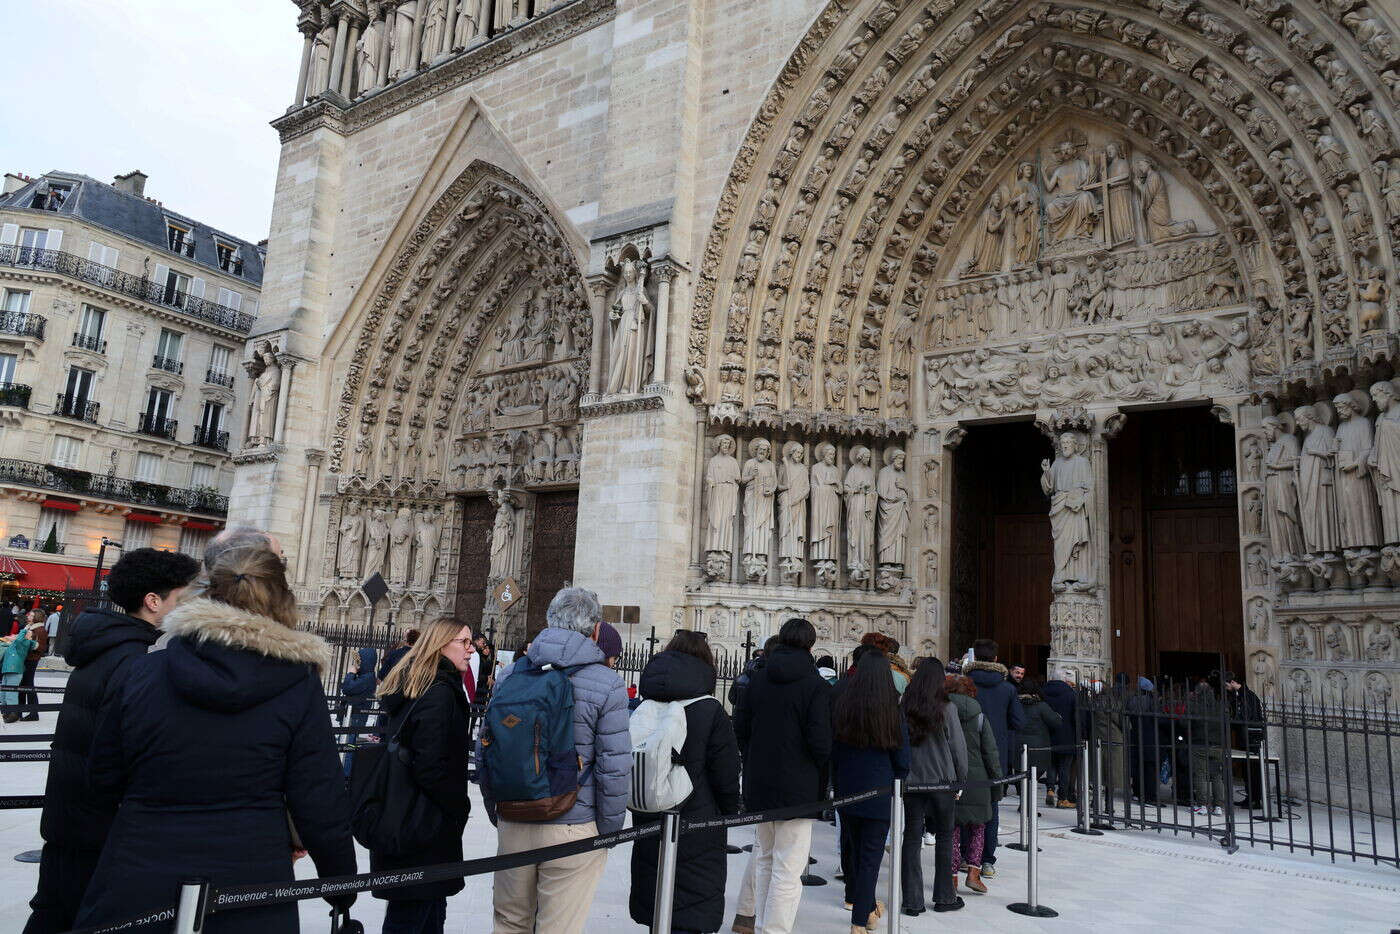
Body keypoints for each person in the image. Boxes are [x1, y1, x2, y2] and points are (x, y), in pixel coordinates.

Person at [74, 544, 356, 934]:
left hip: (141, 867)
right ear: (283, 601)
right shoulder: (298, 684)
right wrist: (340, 885)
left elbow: (102, 777)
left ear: (206, 594)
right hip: (250, 876)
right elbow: (320, 798)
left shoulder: (142, 670)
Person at [24, 549, 200, 934]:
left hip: (70, 816)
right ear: (154, 602)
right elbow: (123, 753)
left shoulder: (103, 648)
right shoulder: (140, 661)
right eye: (184, 598)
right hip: (101, 829)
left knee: (54, 913)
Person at [486, 587, 630, 934]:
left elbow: (486, 747)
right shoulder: (607, 683)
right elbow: (614, 766)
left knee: (509, 922)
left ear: (550, 621)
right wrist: (606, 832)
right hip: (574, 823)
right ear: (596, 630)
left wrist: (501, 811)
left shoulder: (511, 674)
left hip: (516, 817)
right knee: (558, 927)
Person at [629, 631, 742, 933]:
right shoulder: (709, 709)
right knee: (691, 901)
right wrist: (731, 811)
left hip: (650, 809)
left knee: (656, 890)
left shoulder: (648, 702)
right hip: (698, 818)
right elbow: (726, 771)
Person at [370, 617, 474, 934]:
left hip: (409, 816)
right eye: (464, 642)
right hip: (423, 824)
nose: (471, 650)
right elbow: (430, 765)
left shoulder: (417, 686)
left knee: (427, 911)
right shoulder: (439, 693)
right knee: (412, 913)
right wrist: (459, 806)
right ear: (441, 644)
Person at [732, 618, 833, 934]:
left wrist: (754, 759)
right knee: (789, 868)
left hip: (760, 781)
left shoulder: (759, 679)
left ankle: (762, 923)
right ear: (810, 645)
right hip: (798, 787)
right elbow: (820, 741)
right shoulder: (815, 685)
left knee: (765, 858)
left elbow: (741, 728)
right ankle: (774, 930)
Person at [832, 653, 910, 932]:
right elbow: (902, 759)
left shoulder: (844, 705)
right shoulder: (892, 710)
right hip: (879, 790)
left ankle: (864, 908)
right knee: (870, 858)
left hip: (848, 789)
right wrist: (897, 779)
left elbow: (835, 751)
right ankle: (859, 920)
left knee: (855, 852)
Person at [899, 658, 966, 916]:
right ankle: (944, 896)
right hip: (942, 781)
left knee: (912, 838)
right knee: (945, 837)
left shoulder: (905, 706)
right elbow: (958, 748)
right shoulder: (947, 708)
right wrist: (961, 779)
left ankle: (913, 900)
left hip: (913, 781)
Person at [964, 639, 1023, 876]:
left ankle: (964, 854)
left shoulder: (964, 684)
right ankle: (986, 860)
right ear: (996, 660)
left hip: (965, 752)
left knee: (964, 803)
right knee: (991, 806)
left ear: (974, 658)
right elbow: (1018, 721)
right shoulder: (1007, 688)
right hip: (995, 754)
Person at [946, 674, 1002, 895]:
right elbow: (990, 752)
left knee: (953, 829)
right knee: (979, 828)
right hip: (978, 778)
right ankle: (973, 874)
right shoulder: (979, 717)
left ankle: (951, 878)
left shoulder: (942, 712)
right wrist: (997, 781)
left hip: (951, 777)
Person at [1013, 677, 1063, 795]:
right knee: (1034, 775)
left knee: (1021, 774)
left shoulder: (1016, 704)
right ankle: (1028, 803)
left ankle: (1024, 802)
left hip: (1018, 744)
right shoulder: (1041, 706)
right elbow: (1056, 722)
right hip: (1038, 747)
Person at [1188, 676, 1227, 817]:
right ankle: (1218, 806)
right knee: (1217, 775)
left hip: (1200, 743)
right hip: (1217, 744)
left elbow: (1186, 724)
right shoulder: (1220, 706)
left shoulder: (1195, 706)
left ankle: (1202, 805)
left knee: (1201, 775)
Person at [1226, 673, 1265, 808]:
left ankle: (1255, 798)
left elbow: (1246, 717)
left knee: (1252, 769)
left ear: (1232, 682)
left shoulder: (1246, 696)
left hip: (1251, 737)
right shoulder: (1241, 695)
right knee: (1247, 768)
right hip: (1246, 736)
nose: (1226, 688)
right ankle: (1251, 796)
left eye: (1227, 685)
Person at [1040, 672, 1078, 807]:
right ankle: (1063, 798)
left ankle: (1050, 790)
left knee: (1051, 765)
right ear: (1063, 681)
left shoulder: (1042, 692)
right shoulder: (1071, 694)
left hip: (1048, 734)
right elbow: (1075, 717)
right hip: (1067, 735)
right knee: (1064, 768)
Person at [340, 646, 378, 776]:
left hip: (356, 716)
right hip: (354, 714)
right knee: (348, 745)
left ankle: (346, 774)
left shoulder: (367, 677)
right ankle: (345, 772)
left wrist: (350, 673)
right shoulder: (365, 676)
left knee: (349, 746)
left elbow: (347, 688)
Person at [1, 620, 37, 723]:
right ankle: (6, 712)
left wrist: (25, 629)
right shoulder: (17, 642)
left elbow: (19, 639)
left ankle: (13, 714)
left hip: (15, 670)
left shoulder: (25, 642)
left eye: (28, 633)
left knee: (10, 693)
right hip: (8, 669)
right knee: (3, 692)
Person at [15, 609, 48, 720]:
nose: (28, 616)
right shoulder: (29, 627)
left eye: (31, 615)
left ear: (36, 617)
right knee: (23, 685)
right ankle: (19, 712)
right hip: (25, 658)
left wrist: (30, 643)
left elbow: (42, 648)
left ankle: (33, 713)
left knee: (28, 685)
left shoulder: (40, 630)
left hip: (31, 660)